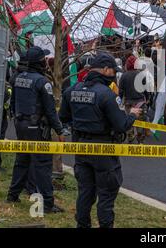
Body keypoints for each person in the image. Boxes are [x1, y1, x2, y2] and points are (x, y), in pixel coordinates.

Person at [59, 53, 142, 228]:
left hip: (81, 148)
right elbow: (121, 125)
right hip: (104, 150)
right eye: (113, 71)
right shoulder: (107, 94)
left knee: (85, 192)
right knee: (106, 194)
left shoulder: (71, 90)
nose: (114, 75)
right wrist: (133, 115)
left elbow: (63, 117)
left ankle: (82, 225)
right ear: (105, 70)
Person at [7, 46, 67, 213]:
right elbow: (50, 110)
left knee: (22, 160)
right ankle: (47, 204)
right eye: (43, 60)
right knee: (42, 164)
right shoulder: (42, 82)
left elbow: (13, 103)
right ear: (39, 62)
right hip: (36, 128)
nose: (45, 62)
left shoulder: (17, 77)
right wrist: (60, 130)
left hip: (20, 124)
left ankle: (13, 195)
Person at [119, 55, 147, 144]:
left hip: (128, 102)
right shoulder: (141, 75)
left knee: (129, 120)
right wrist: (148, 98)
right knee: (141, 122)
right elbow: (146, 89)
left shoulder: (124, 76)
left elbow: (121, 91)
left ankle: (130, 137)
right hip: (140, 101)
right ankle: (140, 140)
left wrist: (119, 101)